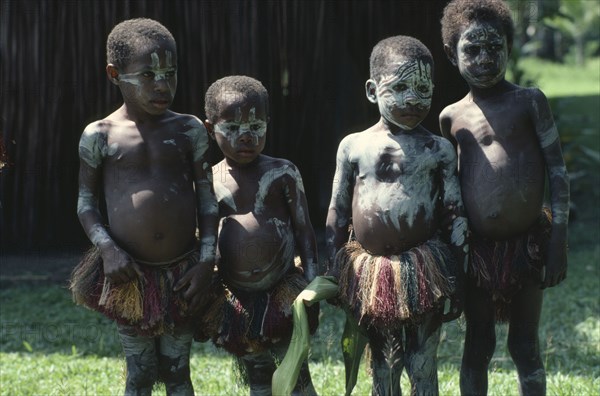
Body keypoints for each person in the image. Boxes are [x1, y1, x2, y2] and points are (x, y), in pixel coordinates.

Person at [69, 18, 218, 396]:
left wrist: (206, 262)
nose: (162, 85)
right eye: (148, 74)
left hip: (184, 274)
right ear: (114, 74)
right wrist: (107, 250)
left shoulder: (188, 130)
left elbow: (206, 199)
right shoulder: (99, 135)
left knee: (177, 372)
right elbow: (86, 205)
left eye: (170, 73)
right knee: (140, 373)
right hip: (129, 276)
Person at [325, 35, 468, 396]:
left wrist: (457, 276)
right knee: (386, 363)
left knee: (423, 360)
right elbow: (338, 211)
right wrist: (334, 269)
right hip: (373, 273)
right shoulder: (353, 145)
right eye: (399, 87)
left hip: (426, 269)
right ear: (373, 91)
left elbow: (454, 214)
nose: (411, 100)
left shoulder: (438, 150)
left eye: (422, 89)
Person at [440, 1, 570, 394]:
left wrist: (559, 240)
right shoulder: (451, 117)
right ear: (452, 54)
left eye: (494, 48)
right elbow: (450, 190)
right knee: (478, 344)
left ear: (509, 49)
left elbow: (557, 172)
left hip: (529, 243)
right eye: (472, 50)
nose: (484, 58)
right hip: (477, 251)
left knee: (524, 344)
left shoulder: (529, 101)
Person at [196, 75, 319, 395]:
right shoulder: (209, 181)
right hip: (239, 299)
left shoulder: (283, 172)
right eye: (232, 128)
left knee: (296, 374)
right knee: (259, 374)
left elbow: (304, 230)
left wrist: (313, 284)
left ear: (268, 123)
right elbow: (204, 238)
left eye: (255, 126)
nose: (246, 136)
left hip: (283, 291)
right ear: (210, 129)